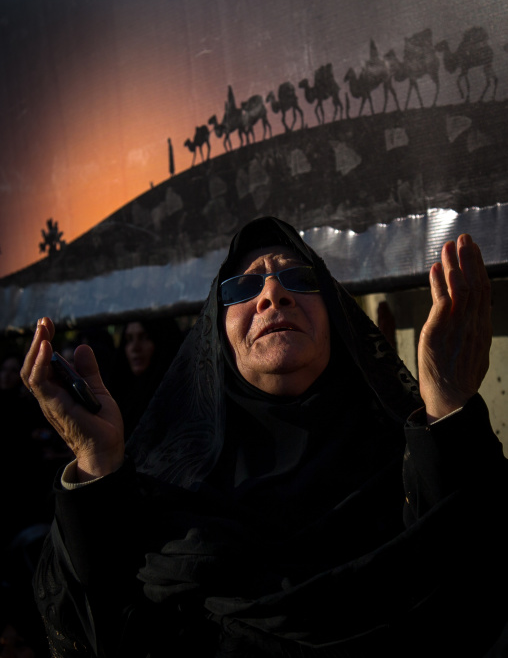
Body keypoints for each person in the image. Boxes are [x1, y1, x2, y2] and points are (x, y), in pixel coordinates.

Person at [21, 216, 508, 657]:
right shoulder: (166, 490)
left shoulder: (405, 459)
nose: (273, 295)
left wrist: (448, 408)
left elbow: (476, 581)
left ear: (337, 318)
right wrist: (96, 462)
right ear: (216, 333)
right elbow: (98, 625)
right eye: (244, 287)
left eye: (299, 279)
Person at [109, 317, 184, 438]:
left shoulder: (180, 399)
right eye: (129, 339)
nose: (135, 348)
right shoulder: (119, 401)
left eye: (144, 337)